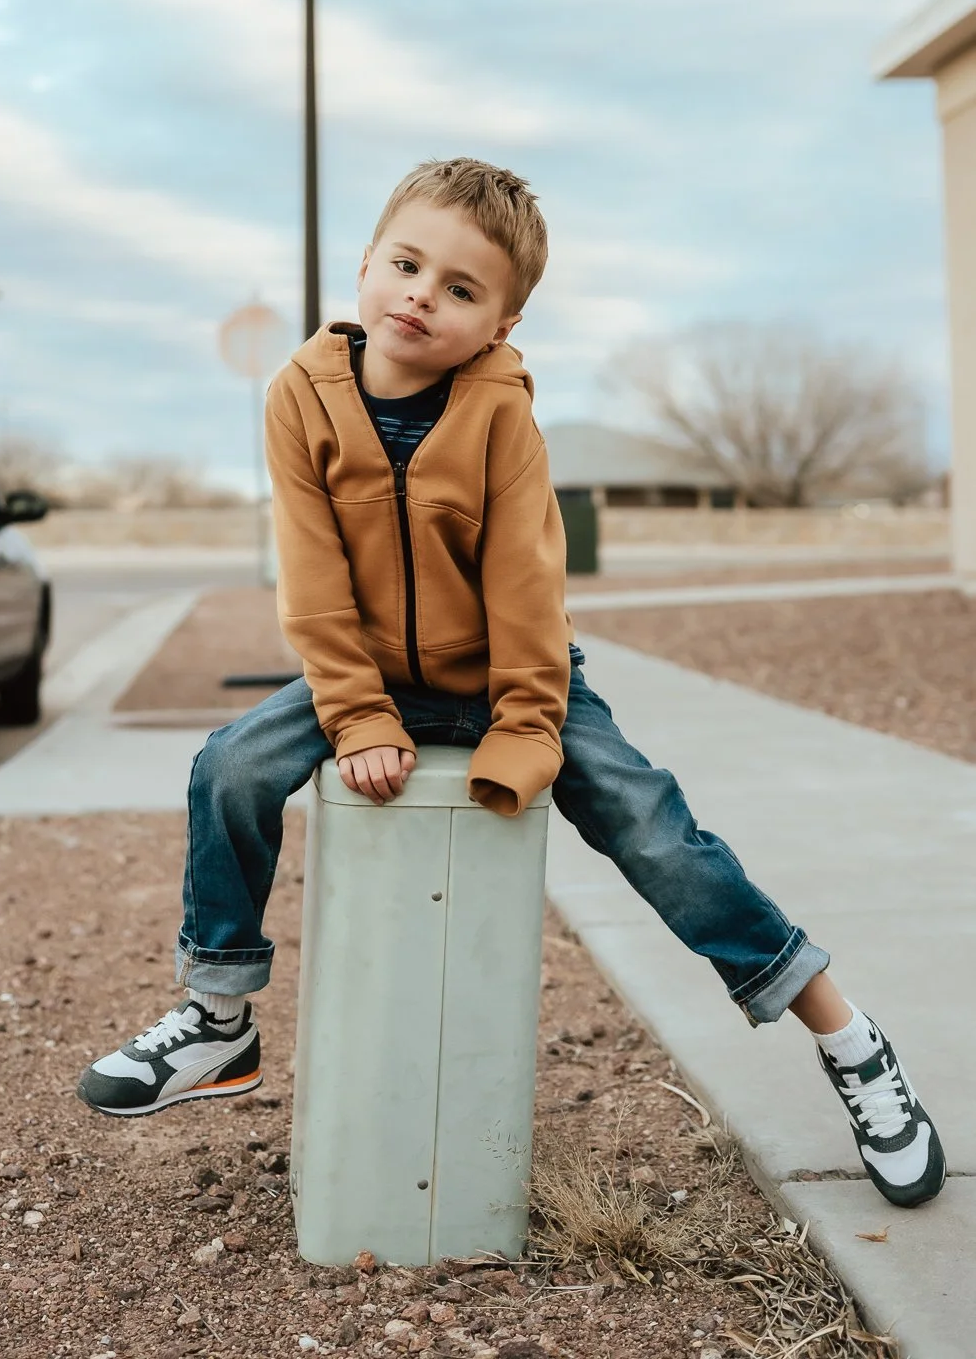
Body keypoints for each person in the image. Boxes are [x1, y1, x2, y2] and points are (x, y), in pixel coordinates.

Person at [78, 157, 945, 1209]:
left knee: (658, 831)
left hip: (510, 674)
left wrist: (528, 734)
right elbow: (313, 581)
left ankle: (850, 1041)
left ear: (499, 320)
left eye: (459, 288)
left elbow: (528, 592)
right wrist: (355, 715)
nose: (420, 296)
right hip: (369, 675)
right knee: (229, 766)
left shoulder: (499, 416)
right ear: (364, 265)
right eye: (405, 264)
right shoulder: (298, 398)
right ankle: (220, 1023)